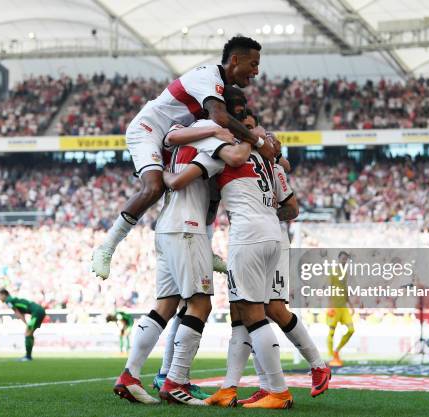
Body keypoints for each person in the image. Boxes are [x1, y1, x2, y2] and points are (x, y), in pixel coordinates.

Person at [112, 87, 255, 406]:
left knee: (165, 304)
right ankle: (175, 381)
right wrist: (252, 137)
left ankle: (129, 376)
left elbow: (169, 143)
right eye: (239, 116)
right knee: (201, 304)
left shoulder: (181, 131)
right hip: (187, 229)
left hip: (166, 226)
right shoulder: (217, 140)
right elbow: (236, 157)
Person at [92, 36, 270, 280]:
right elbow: (219, 118)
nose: (256, 72)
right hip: (149, 130)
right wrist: (257, 140)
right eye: (253, 64)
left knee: (212, 182)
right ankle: (107, 247)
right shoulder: (209, 76)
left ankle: (206, 248)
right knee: (154, 187)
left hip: (173, 135)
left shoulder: (221, 87)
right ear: (235, 60)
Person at [164, 107, 293, 409]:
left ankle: (277, 390)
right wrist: (259, 139)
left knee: (248, 313)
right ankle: (227, 387)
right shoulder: (253, 151)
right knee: (238, 314)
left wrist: (159, 172)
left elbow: (180, 174)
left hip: (245, 236)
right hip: (264, 233)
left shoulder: (227, 150)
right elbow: (281, 161)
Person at [0, 288, 46, 361]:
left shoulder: (8, 301)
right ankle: (28, 356)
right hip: (39, 311)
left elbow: (18, 313)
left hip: (37, 312)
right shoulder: (12, 299)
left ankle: (28, 357)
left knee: (27, 333)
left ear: (4, 295)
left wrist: (26, 324)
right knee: (29, 333)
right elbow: (21, 312)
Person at [326, 251, 355, 367]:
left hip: (344, 306)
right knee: (331, 332)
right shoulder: (333, 271)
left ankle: (336, 350)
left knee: (351, 330)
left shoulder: (346, 273)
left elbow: (345, 289)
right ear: (339, 259)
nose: (344, 261)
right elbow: (329, 287)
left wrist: (351, 305)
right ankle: (330, 356)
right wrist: (330, 305)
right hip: (335, 306)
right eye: (343, 259)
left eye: (346, 259)